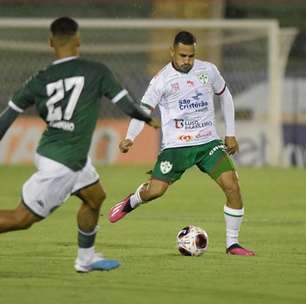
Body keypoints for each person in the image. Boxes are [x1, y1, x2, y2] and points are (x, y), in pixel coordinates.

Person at [0, 17, 159, 272]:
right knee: (22, 218)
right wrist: (148, 119)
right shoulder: (96, 71)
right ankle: (85, 258)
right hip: (63, 163)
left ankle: (85, 259)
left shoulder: (39, 79)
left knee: (95, 197)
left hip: (56, 152)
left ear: (51, 43)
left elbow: (5, 119)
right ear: (78, 40)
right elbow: (126, 103)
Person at [108, 31, 255, 256]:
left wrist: (230, 133)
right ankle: (133, 200)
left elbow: (225, 96)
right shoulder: (161, 80)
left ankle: (232, 244)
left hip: (208, 143)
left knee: (232, 185)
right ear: (172, 52)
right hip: (176, 146)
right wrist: (130, 137)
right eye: (182, 55)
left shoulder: (208, 70)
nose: (187, 60)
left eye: (191, 56)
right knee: (155, 191)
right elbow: (144, 109)